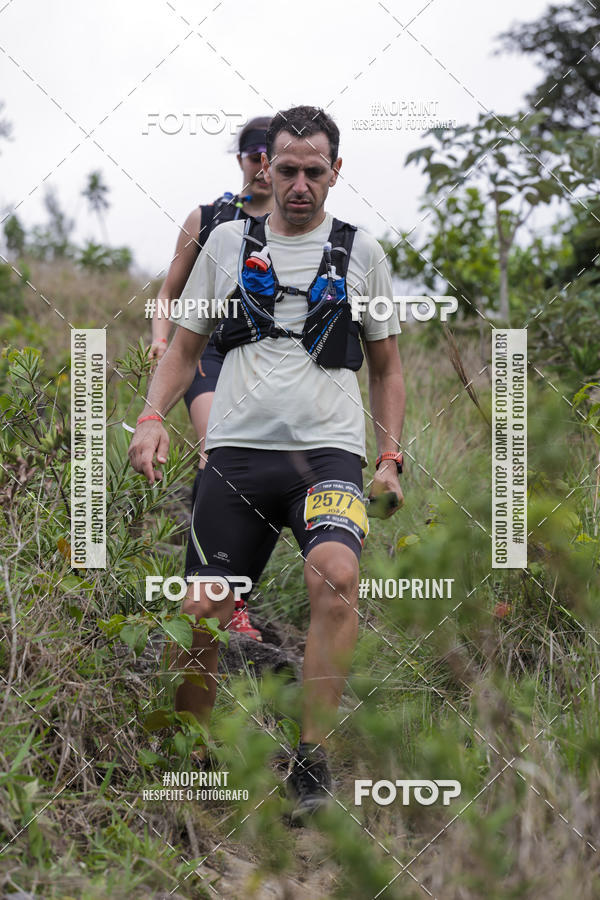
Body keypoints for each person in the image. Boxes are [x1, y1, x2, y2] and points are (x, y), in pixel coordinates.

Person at [129, 105, 406, 822]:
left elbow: (387, 367)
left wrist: (389, 456)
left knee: (337, 579)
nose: (300, 184)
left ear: (335, 173)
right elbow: (186, 350)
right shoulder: (227, 241)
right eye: (287, 169)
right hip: (238, 456)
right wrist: (153, 418)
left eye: (316, 171)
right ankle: (192, 764)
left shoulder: (361, 252)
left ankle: (311, 764)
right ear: (265, 169)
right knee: (201, 609)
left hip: (329, 458)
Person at [149, 116, 274, 641]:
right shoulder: (208, 216)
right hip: (206, 354)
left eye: (274, 159)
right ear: (240, 160)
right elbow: (168, 292)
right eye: (254, 158)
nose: (264, 170)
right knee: (216, 448)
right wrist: (163, 339)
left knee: (257, 468)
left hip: (264, 366)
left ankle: (230, 593)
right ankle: (203, 595)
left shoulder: (301, 226)